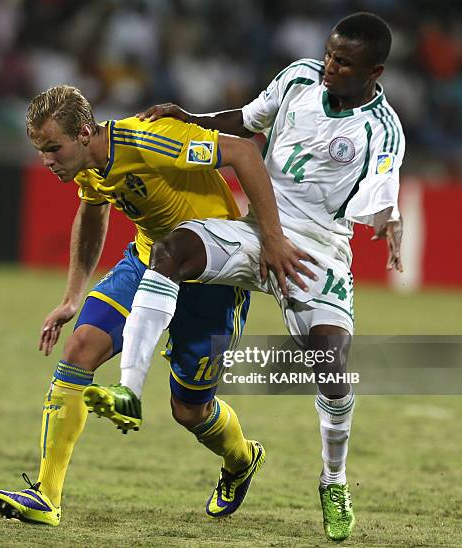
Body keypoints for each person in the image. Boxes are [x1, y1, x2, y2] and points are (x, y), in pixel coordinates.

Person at [86, 12, 405, 542]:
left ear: (375, 72)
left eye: (343, 62)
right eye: (328, 54)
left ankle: (333, 479)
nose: (329, 66)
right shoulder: (301, 75)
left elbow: (383, 192)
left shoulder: (383, 129)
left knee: (332, 367)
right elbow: (249, 119)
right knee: (170, 252)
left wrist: (391, 218)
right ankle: (128, 390)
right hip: (259, 226)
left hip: (318, 251)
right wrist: (193, 118)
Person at [0, 84, 314, 526]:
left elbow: (243, 153)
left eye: (52, 148)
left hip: (211, 274)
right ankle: (46, 495)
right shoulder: (86, 163)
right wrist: (71, 297)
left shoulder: (148, 139)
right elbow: (93, 212)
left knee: (189, 411)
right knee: (80, 348)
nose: (47, 161)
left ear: (84, 132)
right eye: (41, 150)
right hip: (148, 260)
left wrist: (272, 239)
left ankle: (241, 459)